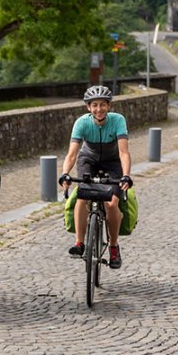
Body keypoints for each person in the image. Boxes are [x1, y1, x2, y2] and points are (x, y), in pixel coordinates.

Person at [58, 85, 133, 269]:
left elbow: (124, 153)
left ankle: (114, 247)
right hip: (88, 159)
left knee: (112, 203)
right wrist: (65, 173)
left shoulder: (118, 121)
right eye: (94, 105)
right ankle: (79, 243)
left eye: (102, 105)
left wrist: (125, 176)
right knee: (82, 196)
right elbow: (72, 154)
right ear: (88, 108)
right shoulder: (82, 123)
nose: (98, 109)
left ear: (109, 106)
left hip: (112, 161)